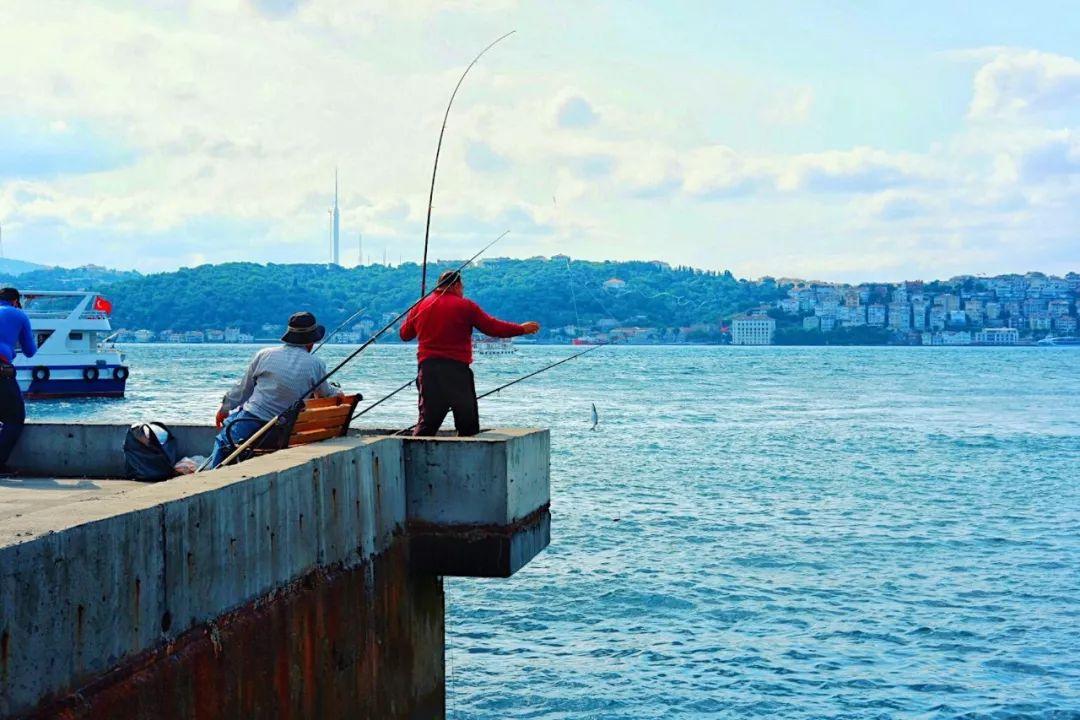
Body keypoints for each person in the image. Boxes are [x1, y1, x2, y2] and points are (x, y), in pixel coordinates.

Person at [399, 270, 539, 436]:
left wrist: (418, 311)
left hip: (428, 370)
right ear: (457, 285)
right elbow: (492, 327)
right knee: (467, 423)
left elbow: (405, 335)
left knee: (427, 422)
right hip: (456, 370)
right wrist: (521, 329)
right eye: (462, 287)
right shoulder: (465, 305)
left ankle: (415, 458)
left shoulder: (421, 305)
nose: (462, 291)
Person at [207, 311, 344, 469]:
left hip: (250, 420)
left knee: (224, 441)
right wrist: (338, 392)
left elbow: (243, 389)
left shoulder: (264, 355)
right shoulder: (316, 364)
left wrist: (224, 408)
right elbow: (326, 393)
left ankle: (213, 472)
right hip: (283, 431)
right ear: (312, 341)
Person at [0, 287, 38, 472]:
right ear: (15, 301)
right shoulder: (18, 315)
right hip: (1, 369)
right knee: (14, 418)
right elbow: (30, 351)